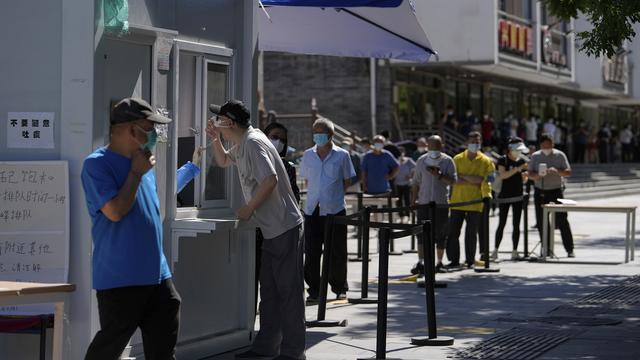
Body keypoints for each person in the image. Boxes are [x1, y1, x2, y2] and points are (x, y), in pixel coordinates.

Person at [81, 98, 185, 359]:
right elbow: (114, 212)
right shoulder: (97, 164)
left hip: (157, 275)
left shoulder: (142, 162)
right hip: (121, 276)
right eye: (149, 128)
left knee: (163, 349)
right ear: (131, 130)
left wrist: (139, 171)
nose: (154, 135)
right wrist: (136, 174)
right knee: (110, 346)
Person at [206, 100, 305, 360]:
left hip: (284, 226)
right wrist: (215, 138)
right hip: (271, 228)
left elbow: (269, 179)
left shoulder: (253, 142)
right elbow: (223, 161)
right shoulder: (245, 141)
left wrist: (249, 208)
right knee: (269, 292)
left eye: (219, 120)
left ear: (230, 122)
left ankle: (294, 353)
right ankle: (266, 347)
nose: (216, 123)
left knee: (288, 292)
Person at [300, 118, 356, 302]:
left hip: (335, 209)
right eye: (315, 132)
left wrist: (332, 196)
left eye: (321, 133)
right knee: (312, 252)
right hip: (312, 209)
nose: (317, 136)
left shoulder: (342, 155)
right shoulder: (308, 155)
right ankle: (314, 290)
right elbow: (307, 180)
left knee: (337, 251)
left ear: (331, 135)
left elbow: (347, 181)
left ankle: (340, 287)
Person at [252, 122, 300, 315]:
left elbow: (293, 196)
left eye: (282, 139)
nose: (277, 141)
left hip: (279, 228)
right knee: (255, 272)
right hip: (257, 226)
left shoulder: (287, 167)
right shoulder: (255, 159)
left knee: (275, 279)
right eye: (274, 136)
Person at [446, 131, 495, 269]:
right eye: (472, 141)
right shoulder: (457, 159)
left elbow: (489, 179)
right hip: (457, 201)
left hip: (476, 202)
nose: (475, 144)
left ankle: (470, 260)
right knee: (453, 233)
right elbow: (454, 180)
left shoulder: (487, 161)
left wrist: (465, 177)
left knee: (471, 234)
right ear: (467, 142)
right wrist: (475, 179)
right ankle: (454, 260)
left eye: (477, 141)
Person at [412, 135, 457, 274]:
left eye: (437, 146)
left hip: (441, 203)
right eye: (431, 147)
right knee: (421, 234)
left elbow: (454, 181)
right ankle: (421, 262)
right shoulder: (421, 160)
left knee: (440, 234)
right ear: (427, 147)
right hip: (424, 202)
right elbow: (415, 182)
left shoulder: (448, 161)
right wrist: (413, 200)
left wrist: (439, 175)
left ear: (441, 146)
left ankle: (439, 262)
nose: (434, 149)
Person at [528, 133, 574, 258]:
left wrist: (558, 171)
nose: (547, 147)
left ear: (553, 144)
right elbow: (530, 173)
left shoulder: (560, 155)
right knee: (542, 221)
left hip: (556, 190)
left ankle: (570, 249)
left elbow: (568, 172)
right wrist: (538, 175)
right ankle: (546, 248)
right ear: (541, 145)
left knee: (562, 219)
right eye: (545, 145)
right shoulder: (535, 156)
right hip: (541, 191)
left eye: (550, 145)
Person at [492, 137, 528, 261]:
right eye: (517, 150)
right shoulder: (503, 160)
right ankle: (495, 250)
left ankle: (514, 250)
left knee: (516, 224)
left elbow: (522, 178)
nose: (519, 152)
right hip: (505, 196)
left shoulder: (522, 160)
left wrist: (524, 175)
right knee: (502, 223)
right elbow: (503, 175)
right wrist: (516, 169)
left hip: (518, 195)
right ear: (510, 149)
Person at [395, 147, 416, 221]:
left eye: (402, 151)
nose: (401, 153)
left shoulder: (409, 160)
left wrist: (411, 176)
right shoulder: (395, 160)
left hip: (406, 184)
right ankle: (401, 216)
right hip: (397, 184)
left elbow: (416, 167)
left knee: (407, 200)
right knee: (399, 201)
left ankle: (407, 215)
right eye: (399, 151)